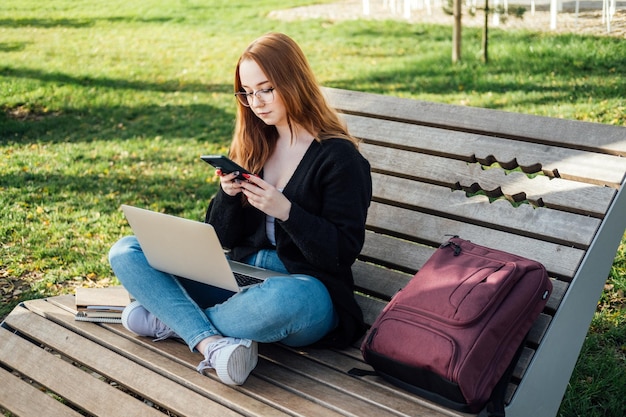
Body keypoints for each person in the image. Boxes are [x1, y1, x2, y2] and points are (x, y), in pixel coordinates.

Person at [108, 32, 372, 386]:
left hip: (307, 290)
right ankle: (210, 342)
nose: (256, 102)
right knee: (127, 250)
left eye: (266, 89)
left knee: (285, 299)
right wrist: (228, 195)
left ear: (294, 81)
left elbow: (341, 254)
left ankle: (172, 319)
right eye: (248, 93)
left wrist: (287, 211)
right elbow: (220, 238)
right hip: (240, 277)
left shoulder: (339, 158)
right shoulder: (258, 144)